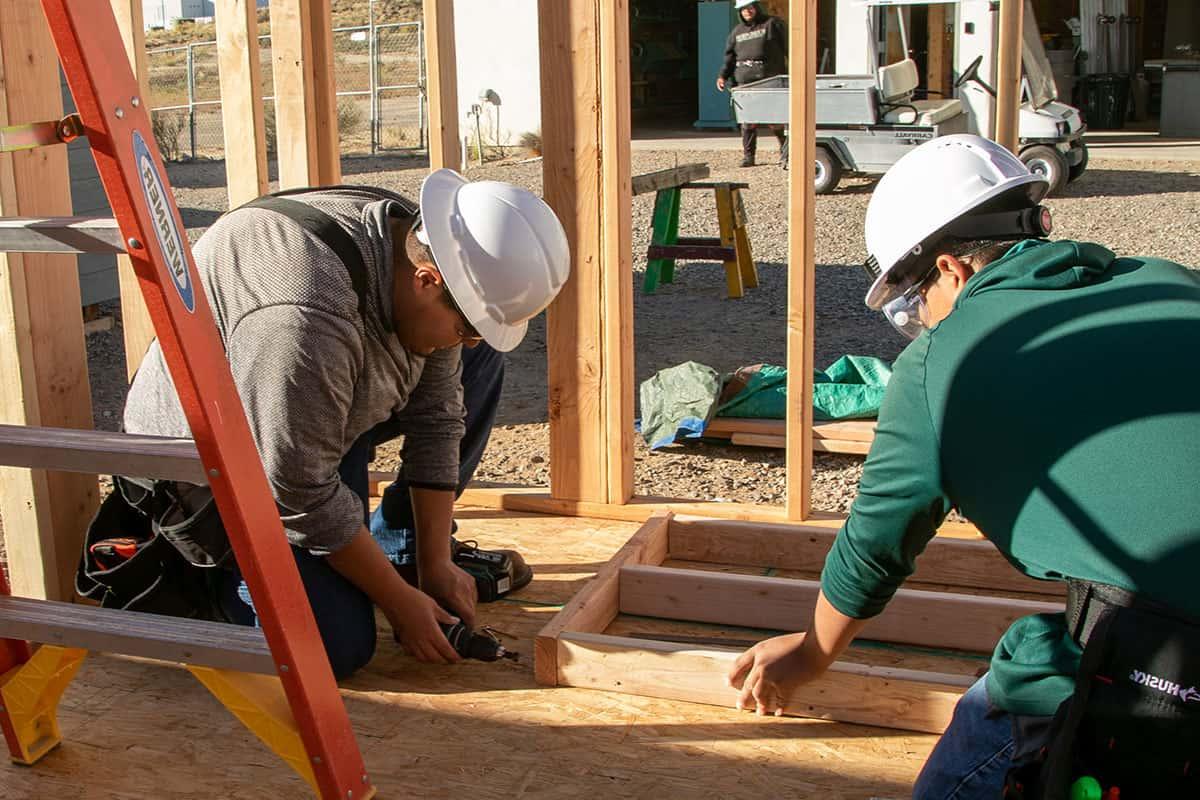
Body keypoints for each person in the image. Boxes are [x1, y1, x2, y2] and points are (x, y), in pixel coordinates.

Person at [725, 135, 1200, 798]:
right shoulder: (1170, 281)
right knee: (1055, 638)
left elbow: (876, 545)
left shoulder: (940, 363)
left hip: (1173, 667)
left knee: (1007, 709)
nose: (918, 323)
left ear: (952, 269)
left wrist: (809, 654)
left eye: (911, 301)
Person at [119, 171, 569, 677]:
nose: (467, 339)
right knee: (333, 648)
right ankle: (205, 582)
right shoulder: (303, 311)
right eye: (467, 326)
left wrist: (434, 562)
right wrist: (398, 602)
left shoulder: (416, 244)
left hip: (306, 418)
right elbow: (300, 491)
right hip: (206, 466)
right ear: (427, 281)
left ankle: (400, 547)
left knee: (479, 362)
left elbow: (439, 415)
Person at [717, 0, 789, 168]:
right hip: (745, 82)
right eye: (743, 9)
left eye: (750, 8)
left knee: (776, 120)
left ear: (756, 7)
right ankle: (749, 156)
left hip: (770, 80)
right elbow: (729, 57)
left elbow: (788, 48)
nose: (747, 11)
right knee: (747, 121)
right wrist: (722, 76)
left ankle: (787, 153)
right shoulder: (736, 32)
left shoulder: (772, 24)